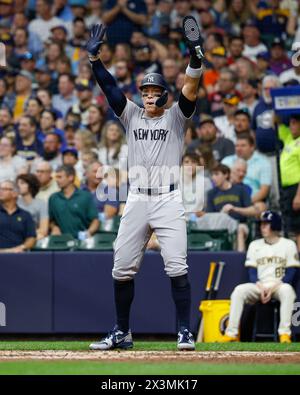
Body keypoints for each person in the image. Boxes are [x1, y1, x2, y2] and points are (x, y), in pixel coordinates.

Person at [87, 18, 204, 351]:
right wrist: (96, 62)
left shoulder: (176, 118)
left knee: (177, 266)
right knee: (121, 267)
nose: (150, 96)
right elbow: (110, 89)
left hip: (168, 199)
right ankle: (122, 332)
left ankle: (184, 331)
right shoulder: (132, 114)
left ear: (165, 95)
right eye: (146, 91)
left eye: (155, 92)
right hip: (137, 198)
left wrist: (196, 60)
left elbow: (190, 91)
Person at [222, 211, 300, 344]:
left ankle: (285, 334)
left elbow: (291, 273)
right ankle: (231, 333)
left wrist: (274, 287)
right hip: (259, 285)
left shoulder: (288, 244)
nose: (262, 227)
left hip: (279, 285)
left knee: (287, 291)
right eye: (261, 224)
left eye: (266, 224)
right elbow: (252, 272)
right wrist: (260, 286)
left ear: (275, 225)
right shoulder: (254, 244)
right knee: (239, 290)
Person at [49, 165, 99, 239]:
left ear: (70, 177)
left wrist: (88, 232)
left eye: (60, 177)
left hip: (82, 241)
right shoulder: (53, 198)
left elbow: (95, 220)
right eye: (56, 177)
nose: (57, 180)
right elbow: (51, 220)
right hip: (61, 241)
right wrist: (54, 228)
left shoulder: (85, 196)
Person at [222, 134, 272, 204]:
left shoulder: (263, 162)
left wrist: (245, 203)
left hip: (252, 201)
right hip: (227, 199)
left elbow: (264, 190)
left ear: (252, 147)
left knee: (260, 207)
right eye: (237, 146)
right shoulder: (226, 161)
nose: (238, 149)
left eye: (243, 146)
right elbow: (218, 183)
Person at [0, 179, 36, 253]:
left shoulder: (25, 215)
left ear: (15, 193)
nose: (0, 191)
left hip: (18, 256)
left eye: (4, 189)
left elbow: (31, 238)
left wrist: (21, 247)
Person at [16, 173, 49, 240]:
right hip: (15, 237)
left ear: (31, 186)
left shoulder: (41, 204)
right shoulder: (14, 203)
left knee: (40, 236)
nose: (18, 186)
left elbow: (44, 230)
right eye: (17, 183)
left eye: (22, 183)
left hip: (33, 236)